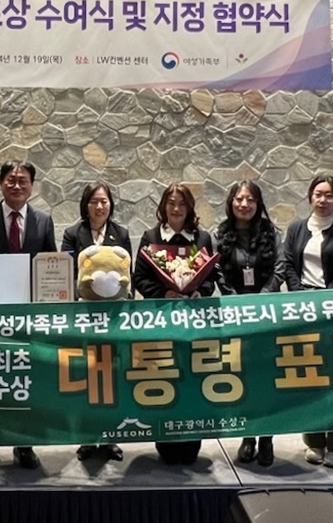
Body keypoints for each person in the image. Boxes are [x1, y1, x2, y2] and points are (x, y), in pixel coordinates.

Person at [0, 161, 57, 472]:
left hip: (27, 317)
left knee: (25, 379)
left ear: (32, 185)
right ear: (1, 183)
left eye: (23, 181)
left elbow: (50, 262)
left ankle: (24, 444)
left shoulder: (44, 220)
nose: (17, 186)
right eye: (11, 180)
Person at [133, 183, 220, 465]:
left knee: (192, 379)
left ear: (190, 208)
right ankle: (166, 443)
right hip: (162, 323)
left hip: (194, 325)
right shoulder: (151, 237)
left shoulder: (201, 238)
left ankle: (192, 442)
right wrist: (164, 293)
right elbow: (139, 278)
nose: (176, 208)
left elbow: (210, 277)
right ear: (163, 206)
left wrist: (199, 292)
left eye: (182, 204)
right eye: (171, 203)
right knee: (164, 378)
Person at [283, 174, 333, 468]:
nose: (323, 200)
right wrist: (300, 295)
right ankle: (314, 441)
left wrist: (327, 298)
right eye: (318, 194)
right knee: (310, 376)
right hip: (303, 308)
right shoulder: (296, 228)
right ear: (310, 197)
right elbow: (288, 264)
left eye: (329, 195)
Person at [62, 181, 132, 463]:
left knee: (112, 377)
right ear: (85, 205)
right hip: (84, 319)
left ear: (110, 204)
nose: (99, 206)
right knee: (87, 377)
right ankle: (88, 437)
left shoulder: (121, 234)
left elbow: (128, 276)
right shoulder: (72, 234)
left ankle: (111, 436)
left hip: (114, 321)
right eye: (94, 201)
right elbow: (67, 274)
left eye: (104, 201)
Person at [214, 180, 284, 466]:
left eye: (250, 199)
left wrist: (263, 297)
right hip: (235, 314)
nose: (244, 204)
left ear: (258, 204)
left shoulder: (271, 232)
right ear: (231, 203)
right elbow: (216, 269)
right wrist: (234, 299)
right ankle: (248, 436)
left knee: (267, 377)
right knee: (242, 377)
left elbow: (280, 266)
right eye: (239, 199)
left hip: (267, 313)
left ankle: (267, 438)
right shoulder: (221, 233)